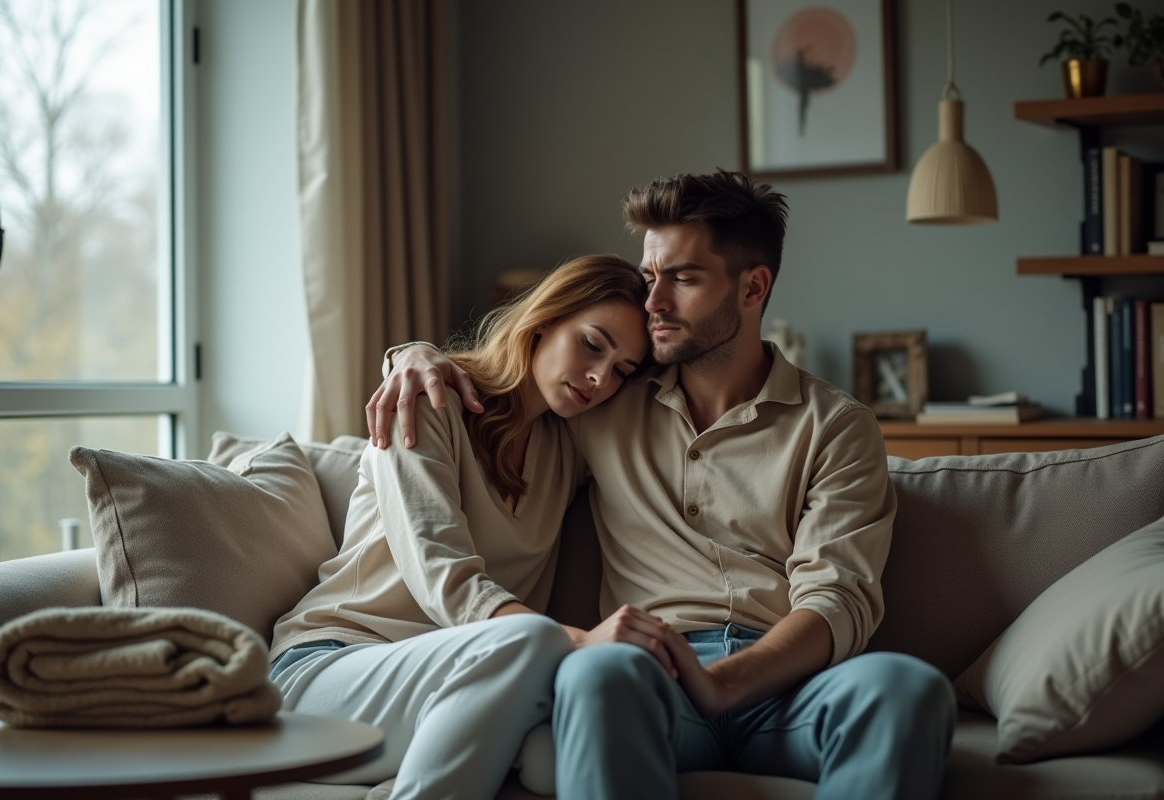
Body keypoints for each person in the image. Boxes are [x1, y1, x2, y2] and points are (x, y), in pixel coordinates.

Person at [369, 170, 957, 800]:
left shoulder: (837, 428)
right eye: (651, 277)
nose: (653, 303)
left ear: (753, 286)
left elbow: (837, 599)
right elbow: (512, 377)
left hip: (783, 688)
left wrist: (728, 682)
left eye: (684, 278)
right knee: (597, 676)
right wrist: (411, 354)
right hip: (650, 676)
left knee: (910, 688)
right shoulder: (602, 398)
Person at [269, 254, 651, 800]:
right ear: (542, 320)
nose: (599, 377)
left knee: (556, 760)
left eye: (622, 370)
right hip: (333, 664)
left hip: (474, 681)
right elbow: (440, 572)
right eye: (592, 344)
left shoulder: (569, 446)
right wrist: (579, 640)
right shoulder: (426, 399)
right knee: (531, 636)